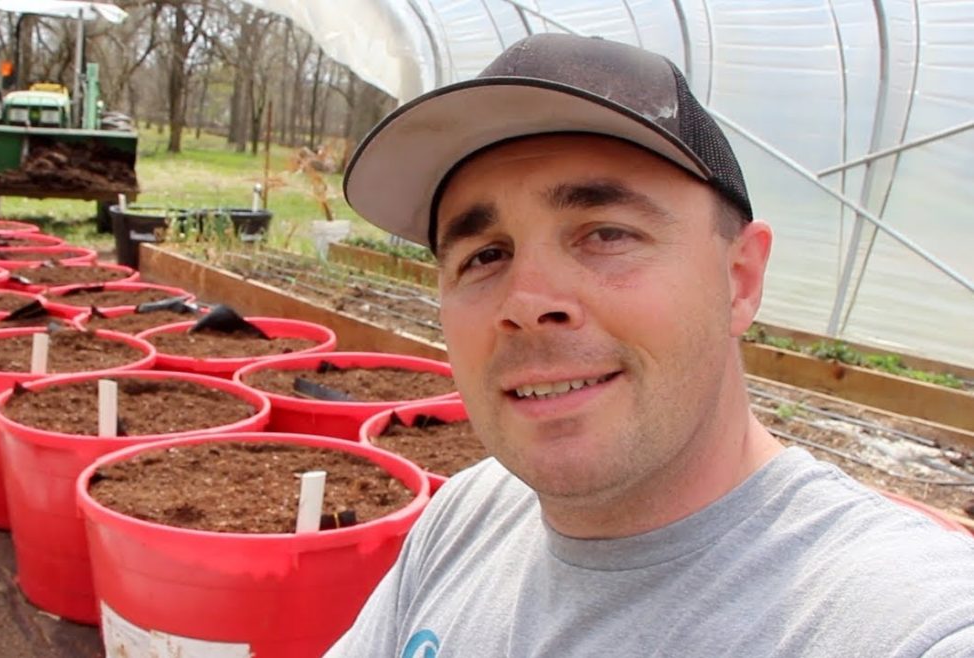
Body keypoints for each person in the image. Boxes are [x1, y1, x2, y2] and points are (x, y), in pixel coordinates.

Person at [327, 33, 974, 657]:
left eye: (606, 233)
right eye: (485, 255)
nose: (526, 302)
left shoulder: (901, 624)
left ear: (739, 280)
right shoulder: (466, 518)